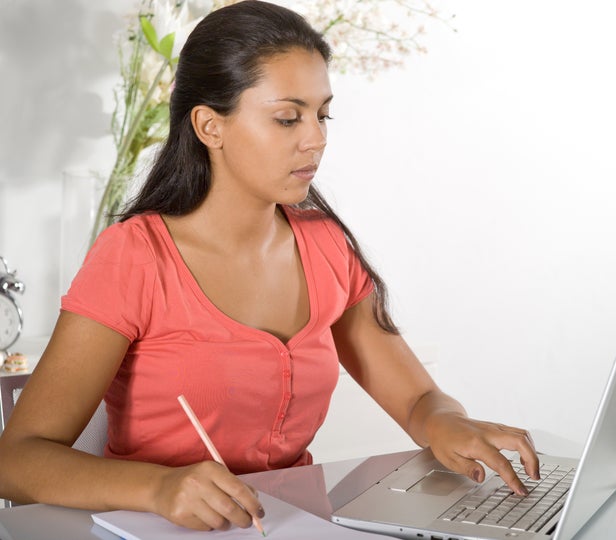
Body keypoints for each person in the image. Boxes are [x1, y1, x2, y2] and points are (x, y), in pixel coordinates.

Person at [0, 0, 539, 532]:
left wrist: (447, 423)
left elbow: (418, 398)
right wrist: (158, 487)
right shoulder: (135, 258)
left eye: (322, 114)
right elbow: (16, 461)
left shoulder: (327, 248)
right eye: (287, 118)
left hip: (290, 524)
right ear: (210, 126)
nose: (317, 138)